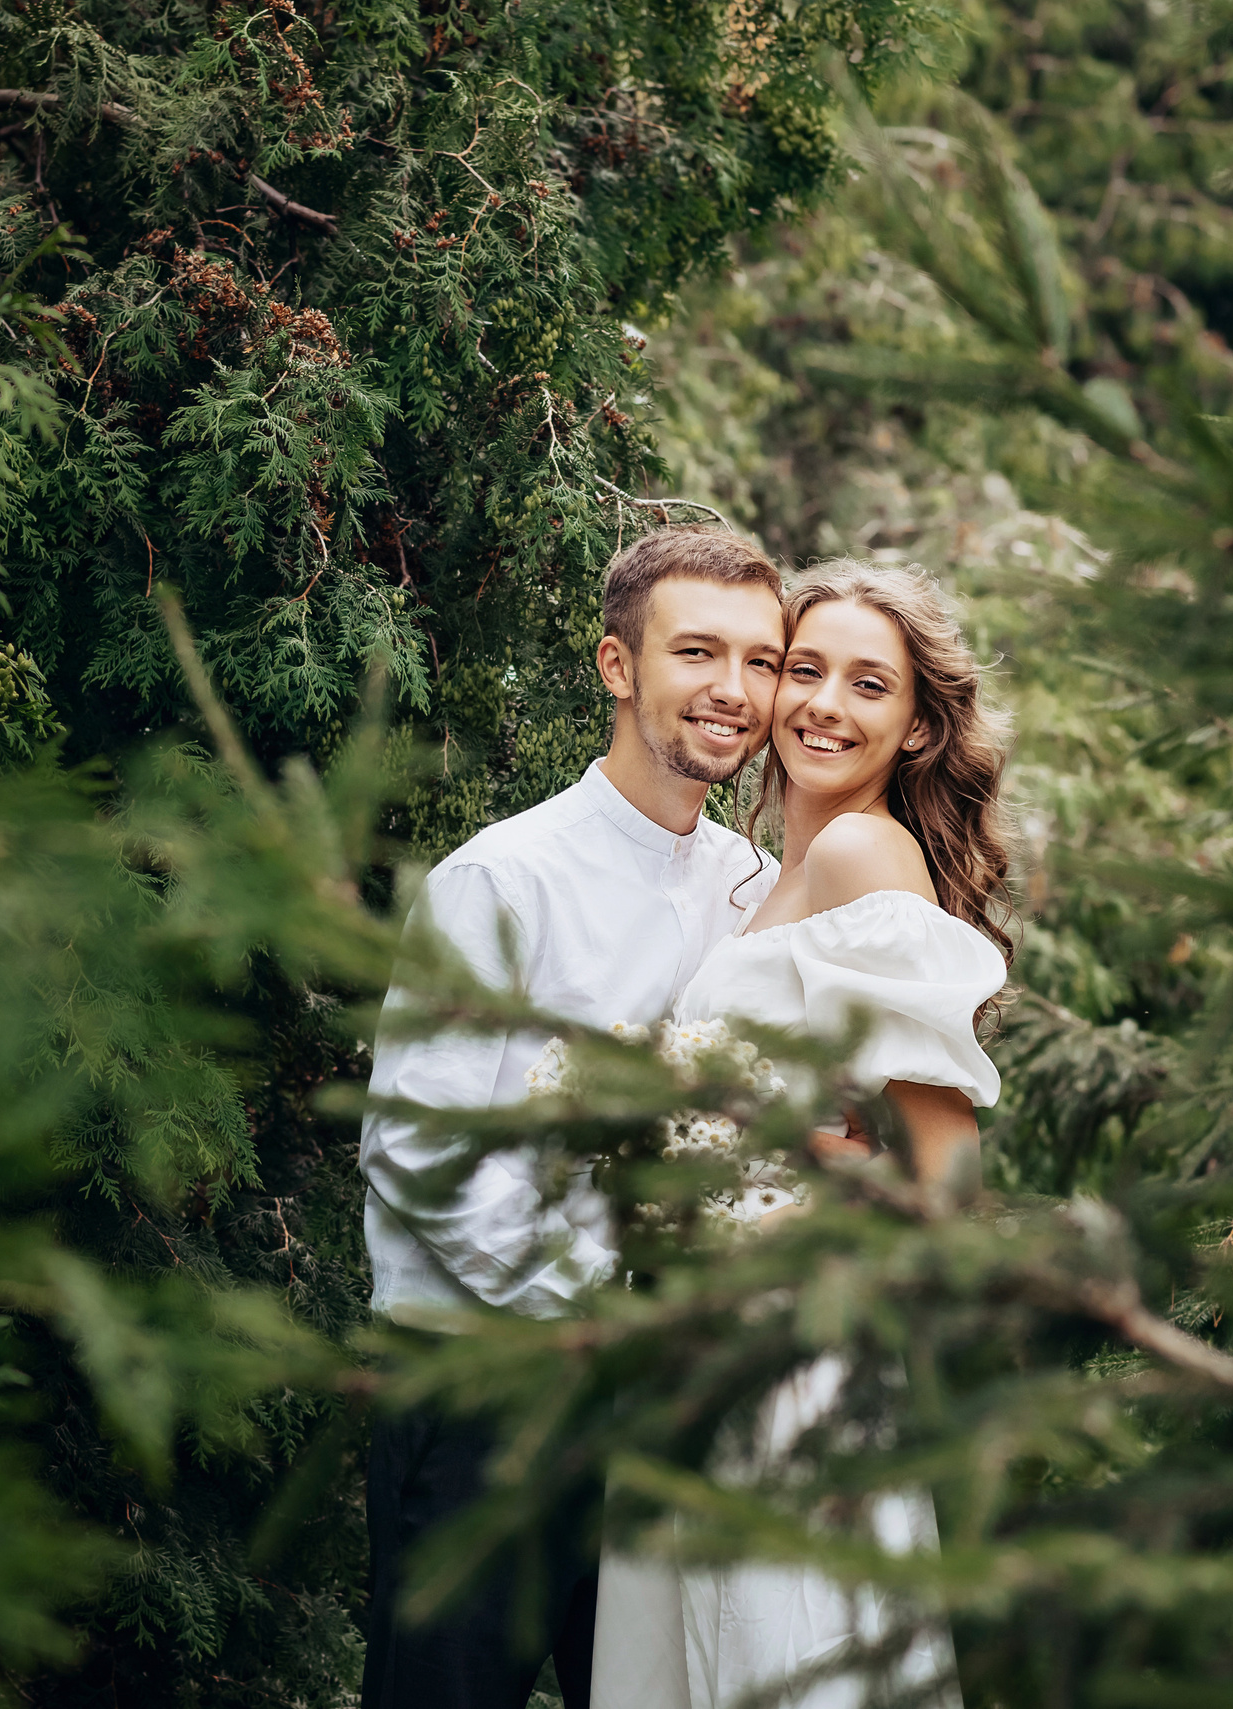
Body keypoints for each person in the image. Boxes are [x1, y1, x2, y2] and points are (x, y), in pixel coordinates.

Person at [358, 525, 790, 1709]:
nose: (734, 690)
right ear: (616, 665)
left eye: (761, 661)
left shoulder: (754, 891)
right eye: (698, 652)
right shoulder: (503, 879)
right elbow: (418, 1146)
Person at [590, 561, 1017, 1709]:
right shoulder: (768, 877)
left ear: (917, 723)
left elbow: (950, 1176)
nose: (823, 703)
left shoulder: (862, 856)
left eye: (867, 683)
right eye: (802, 669)